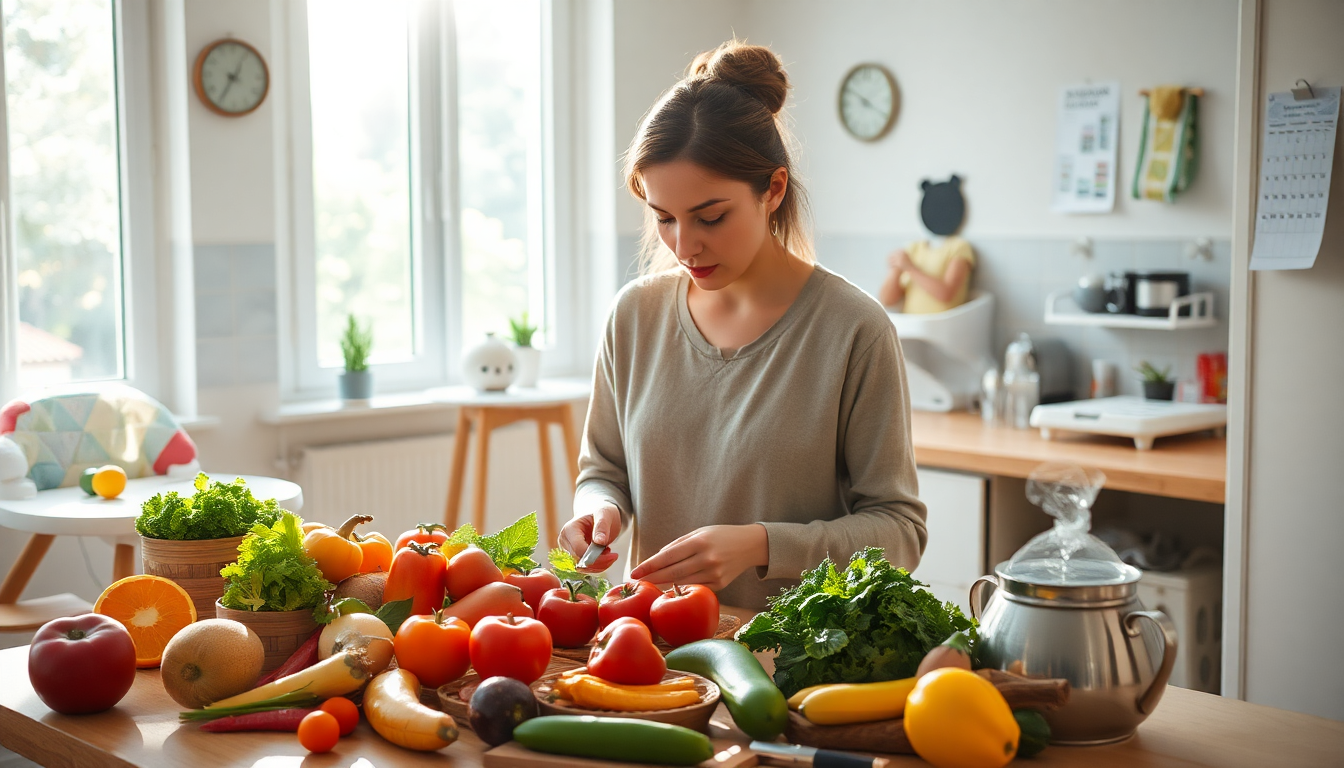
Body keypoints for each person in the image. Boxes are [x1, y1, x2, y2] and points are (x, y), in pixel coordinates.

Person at [557, 40, 927, 611]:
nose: (684, 245)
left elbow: (900, 533)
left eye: (710, 217)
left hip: (795, 666)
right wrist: (598, 508)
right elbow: (603, 469)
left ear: (773, 190)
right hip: (655, 660)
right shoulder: (634, 316)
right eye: (664, 219)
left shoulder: (854, 330)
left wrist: (761, 546)